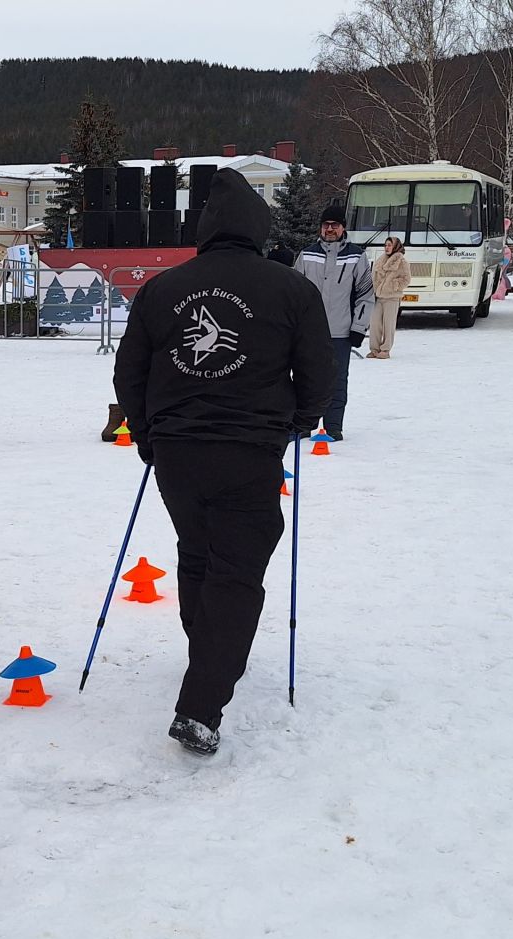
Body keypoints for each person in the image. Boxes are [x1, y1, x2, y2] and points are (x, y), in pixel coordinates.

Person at [114, 169, 332, 756]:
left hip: (179, 455)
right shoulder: (290, 289)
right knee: (235, 572)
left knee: (198, 554)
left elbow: (128, 374)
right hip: (248, 451)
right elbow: (319, 372)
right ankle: (202, 703)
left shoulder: (163, 289)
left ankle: (206, 660)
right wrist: (299, 421)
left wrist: (149, 436)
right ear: (259, 229)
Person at [295, 206, 373, 439]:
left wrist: (358, 327)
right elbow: (294, 292)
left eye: (335, 225)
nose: (330, 229)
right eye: (326, 225)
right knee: (304, 378)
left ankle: (334, 426)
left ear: (343, 228)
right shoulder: (306, 255)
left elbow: (366, 294)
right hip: (309, 332)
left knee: (337, 380)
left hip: (340, 331)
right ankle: (303, 425)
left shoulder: (356, 256)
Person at [367, 237, 411, 359]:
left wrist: (393, 285)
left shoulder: (402, 261)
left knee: (388, 324)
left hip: (392, 297)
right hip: (378, 297)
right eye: (385, 245)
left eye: (389, 245)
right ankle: (374, 349)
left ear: (396, 246)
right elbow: (373, 276)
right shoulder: (380, 259)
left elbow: (406, 279)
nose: (387, 247)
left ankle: (385, 350)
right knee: (375, 324)